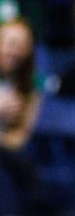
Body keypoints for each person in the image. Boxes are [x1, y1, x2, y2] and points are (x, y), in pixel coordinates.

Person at [0, 18, 40, 215]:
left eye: (23, 46)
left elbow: (20, 140)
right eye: (10, 43)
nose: (15, 51)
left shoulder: (30, 89)